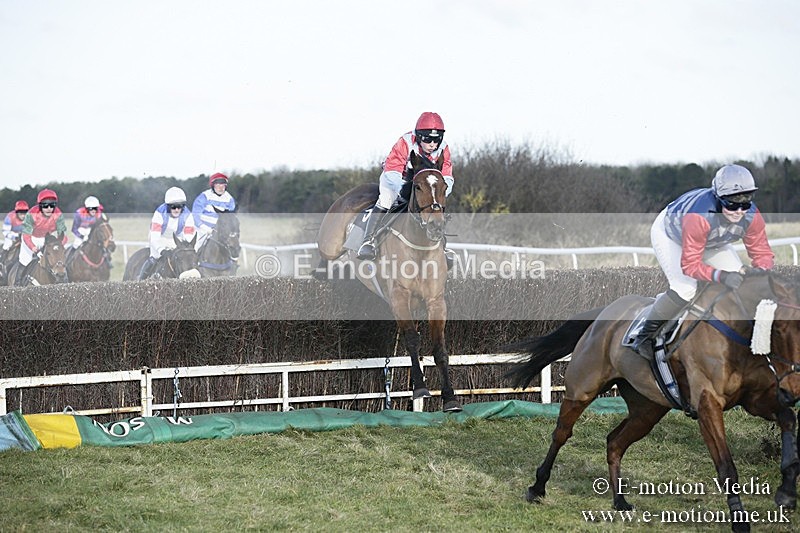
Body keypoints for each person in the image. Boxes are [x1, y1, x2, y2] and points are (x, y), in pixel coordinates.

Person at [632, 164, 774, 360]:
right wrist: (721, 276)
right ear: (719, 198)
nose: (739, 210)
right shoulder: (699, 216)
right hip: (672, 236)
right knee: (686, 288)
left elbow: (762, 252)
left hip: (712, 240)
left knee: (743, 283)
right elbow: (690, 265)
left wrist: (762, 270)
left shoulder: (752, 216)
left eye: (745, 203)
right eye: (732, 204)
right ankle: (644, 337)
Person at [357, 112, 455, 263]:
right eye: (428, 140)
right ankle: (368, 241)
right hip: (395, 180)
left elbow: (447, 175)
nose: (432, 145)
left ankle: (442, 245)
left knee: (436, 206)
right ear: (419, 136)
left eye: (436, 140)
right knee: (387, 200)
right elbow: (393, 170)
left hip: (424, 185)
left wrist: (440, 192)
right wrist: (405, 190)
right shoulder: (406, 142)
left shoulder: (443, 148)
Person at [138, 187, 197, 280]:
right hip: (159, 237)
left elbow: (188, 237)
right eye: (173, 206)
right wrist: (162, 250)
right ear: (168, 206)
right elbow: (154, 238)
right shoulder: (159, 213)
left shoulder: (188, 215)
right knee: (155, 257)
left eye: (180, 206)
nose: (177, 209)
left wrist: (184, 248)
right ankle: (140, 281)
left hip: (177, 238)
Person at [15, 189, 69, 285]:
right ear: (40, 206)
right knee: (25, 260)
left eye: (52, 205)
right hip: (31, 238)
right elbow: (26, 236)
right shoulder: (31, 215)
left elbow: (63, 236)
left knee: (59, 258)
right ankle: (17, 285)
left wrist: (59, 245)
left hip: (47, 238)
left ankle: (66, 283)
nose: (49, 208)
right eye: (45, 205)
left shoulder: (58, 214)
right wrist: (34, 249)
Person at [192, 172, 236, 251]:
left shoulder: (229, 199)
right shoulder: (204, 196)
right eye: (218, 185)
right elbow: (195, 214)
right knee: (196, 247)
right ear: (213, 186)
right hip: (203, 230)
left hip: (221, 230)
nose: (221, 188)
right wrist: (204, 227)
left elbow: (231, 217)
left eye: (223, 185)